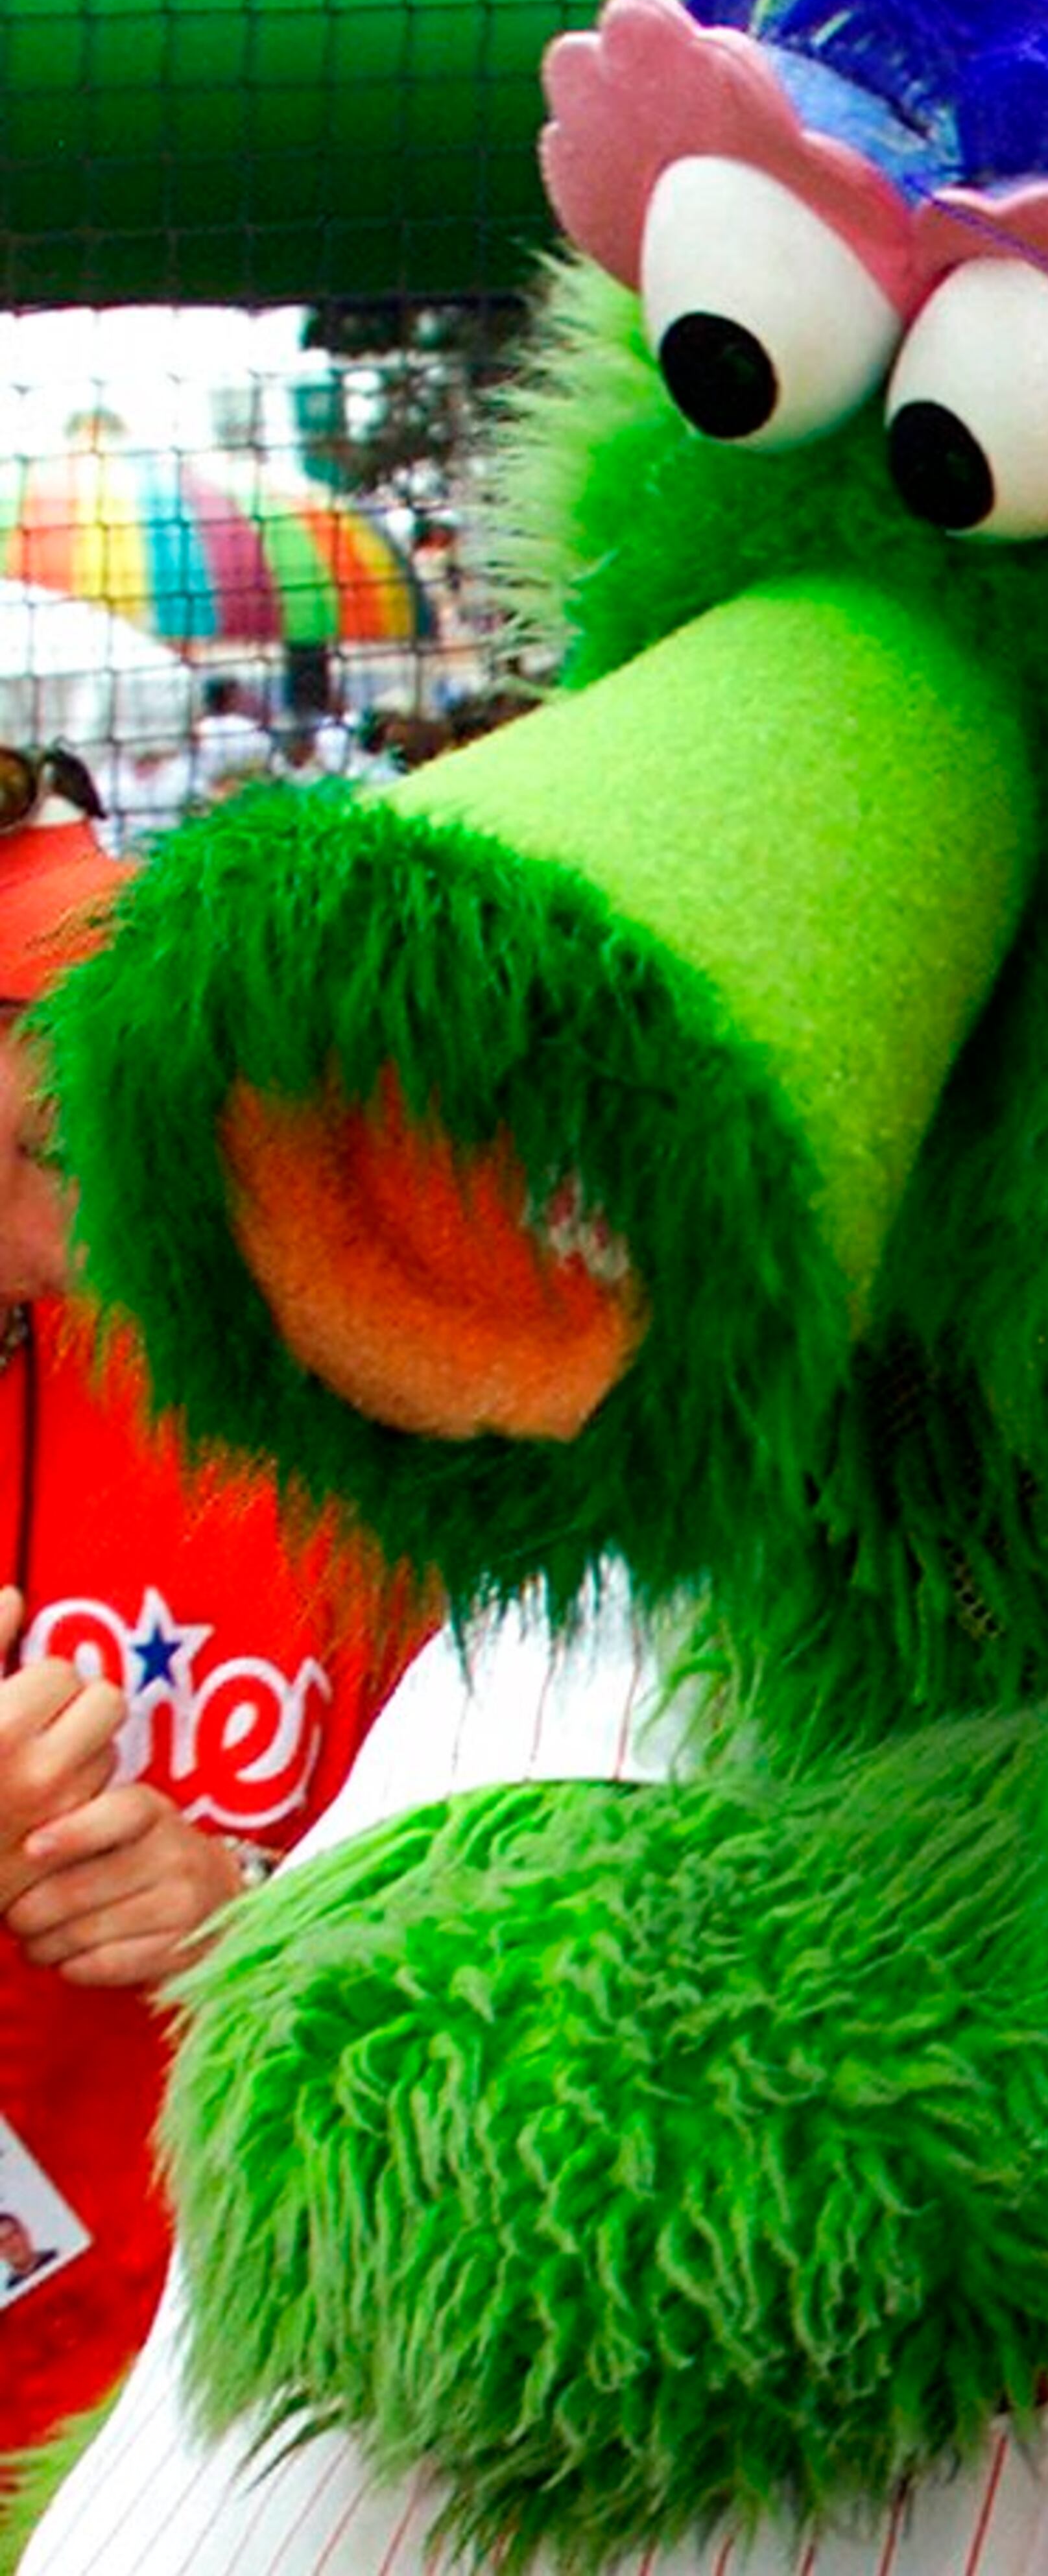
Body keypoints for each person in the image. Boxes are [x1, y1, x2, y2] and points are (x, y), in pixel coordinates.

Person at [0, 754, 423, 2503]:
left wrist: (240, 1914)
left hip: (235, 2400)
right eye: (52, 1141)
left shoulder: (329, 1387)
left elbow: (495, 1878)